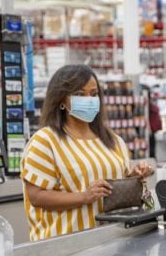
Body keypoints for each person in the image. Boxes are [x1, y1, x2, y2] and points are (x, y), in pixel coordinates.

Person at [20, 64, 152, 241]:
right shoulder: (45, 142)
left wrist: (134, 178)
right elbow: (36, 196)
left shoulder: (113, 140)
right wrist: (83, 197)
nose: (89, 100)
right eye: (79, 94)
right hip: (66, 246)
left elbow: (116, 191)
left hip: (113, 241)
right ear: (60, 100)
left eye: (94, 94)